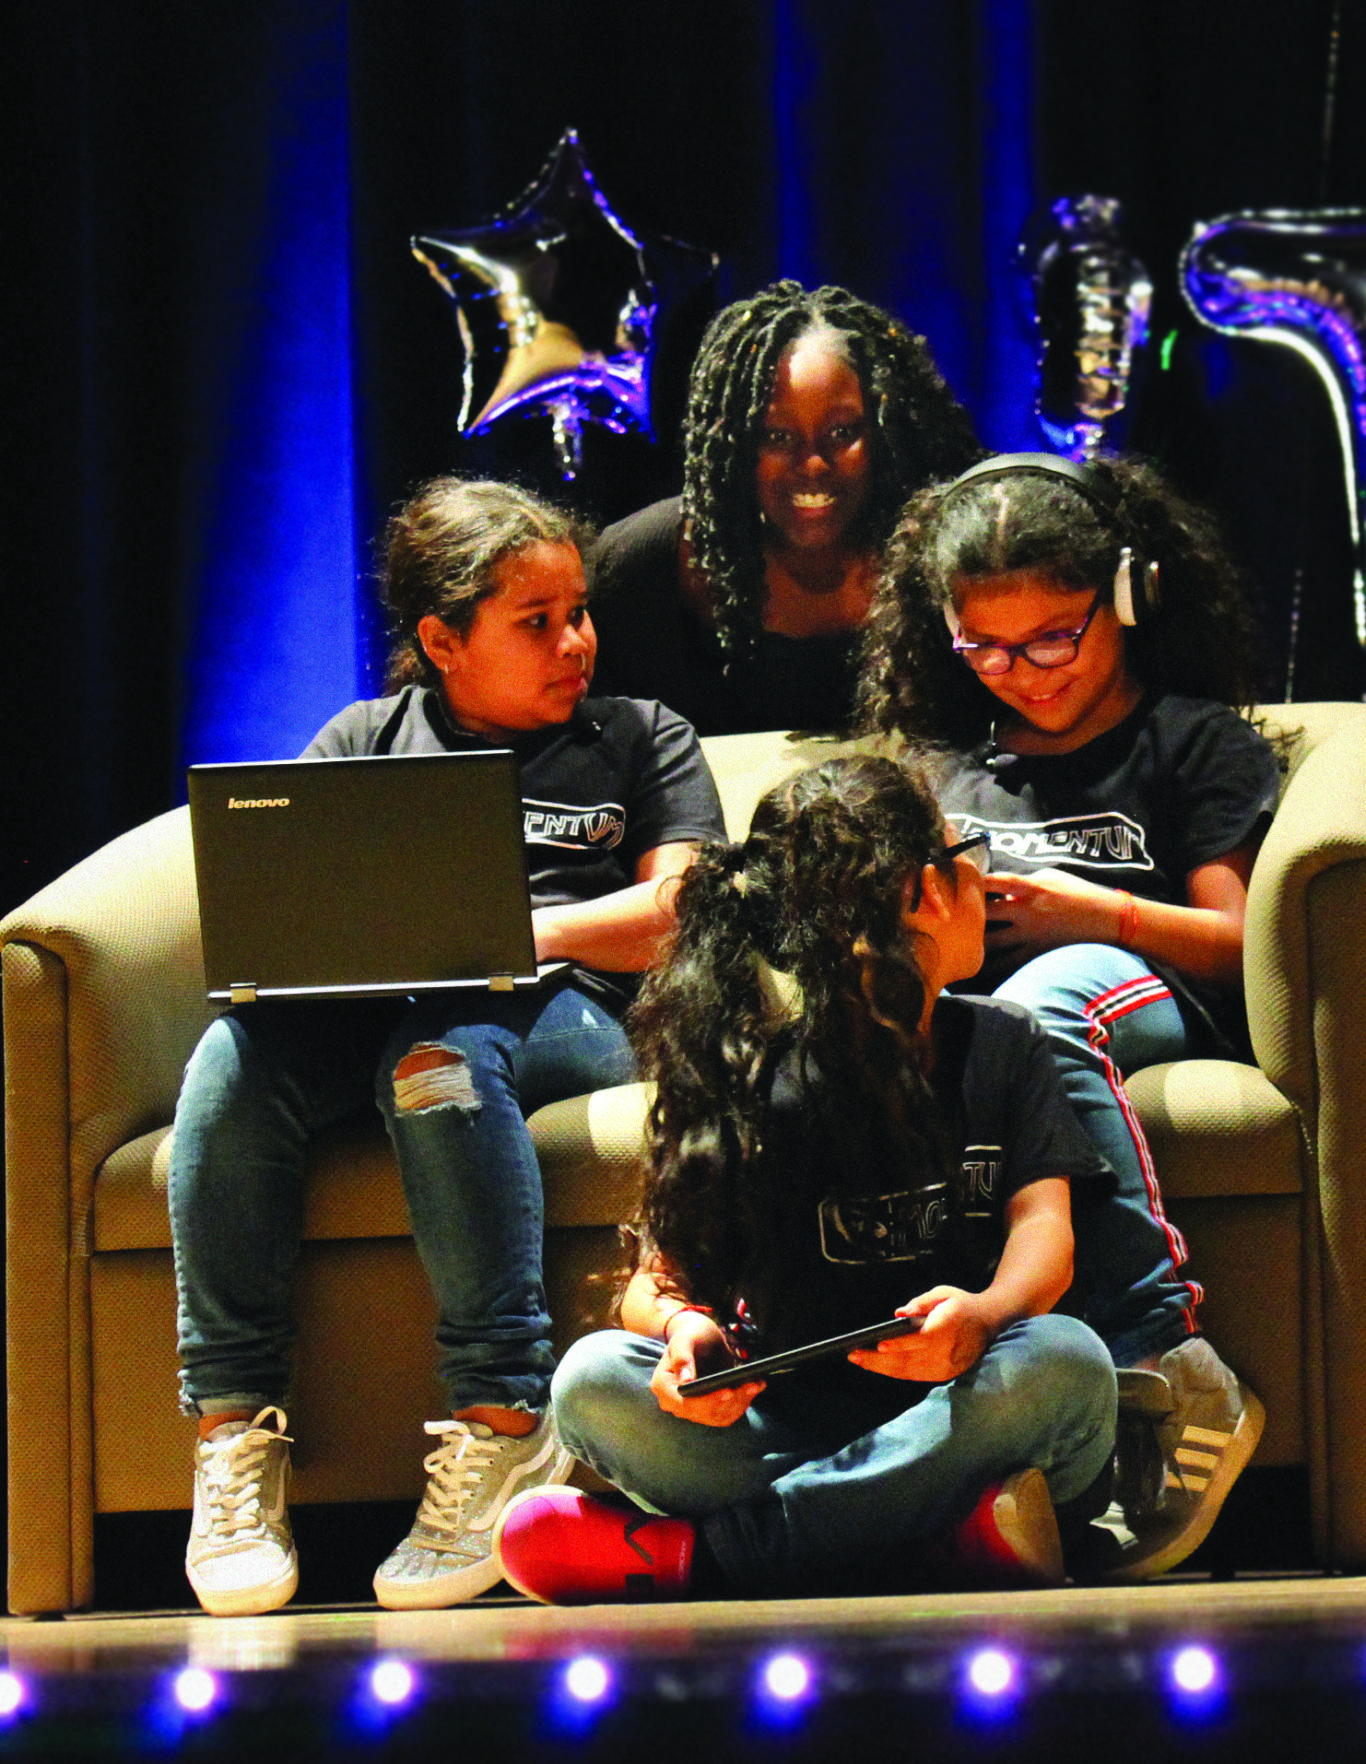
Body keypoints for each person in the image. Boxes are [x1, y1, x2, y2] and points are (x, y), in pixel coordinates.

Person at [173, 478, 728, 1616]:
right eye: (537, 622)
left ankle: (502, 1416)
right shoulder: (362, 742)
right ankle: (232, 1434)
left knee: (440, 1056)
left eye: (579, 610)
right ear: (441, 641)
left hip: (569, 1009)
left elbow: (681, 911)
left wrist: (514, 933)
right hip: (381, 1009)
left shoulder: (638, 738)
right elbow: (298, 916)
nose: (575, 641)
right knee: (231, 1064)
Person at [491, 757, 1118, 1601]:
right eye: (962, 849)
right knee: (593, 1382)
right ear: (920, 892)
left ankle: (706, 1561)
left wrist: (988, 1315)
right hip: (783, 1434)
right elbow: (655, 1287)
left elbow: (1047, 1235)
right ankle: (930, 1539)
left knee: (1064, 1362)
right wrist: (685, 1338)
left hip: (960, 1412)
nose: (979, 868)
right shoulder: (751, 1076)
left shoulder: (1003, 1044)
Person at [856, 452, 1273, 1579]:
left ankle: (1171, 1356)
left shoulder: (1188, 742)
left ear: (1124, 600)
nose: (1022, 673)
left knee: (1036, 1008)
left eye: (1053, 638)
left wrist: (1097, 914)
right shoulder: (945, 768)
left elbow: (1242, 944)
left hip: (1139, 989)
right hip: (986, 1017)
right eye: (983, 647)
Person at [585, 281, 983, 735]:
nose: (812, 464)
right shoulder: (641, 563)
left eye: (841, 432)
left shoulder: (949, 559)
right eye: (777, 436)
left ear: (885, 433)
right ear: (735, 443)